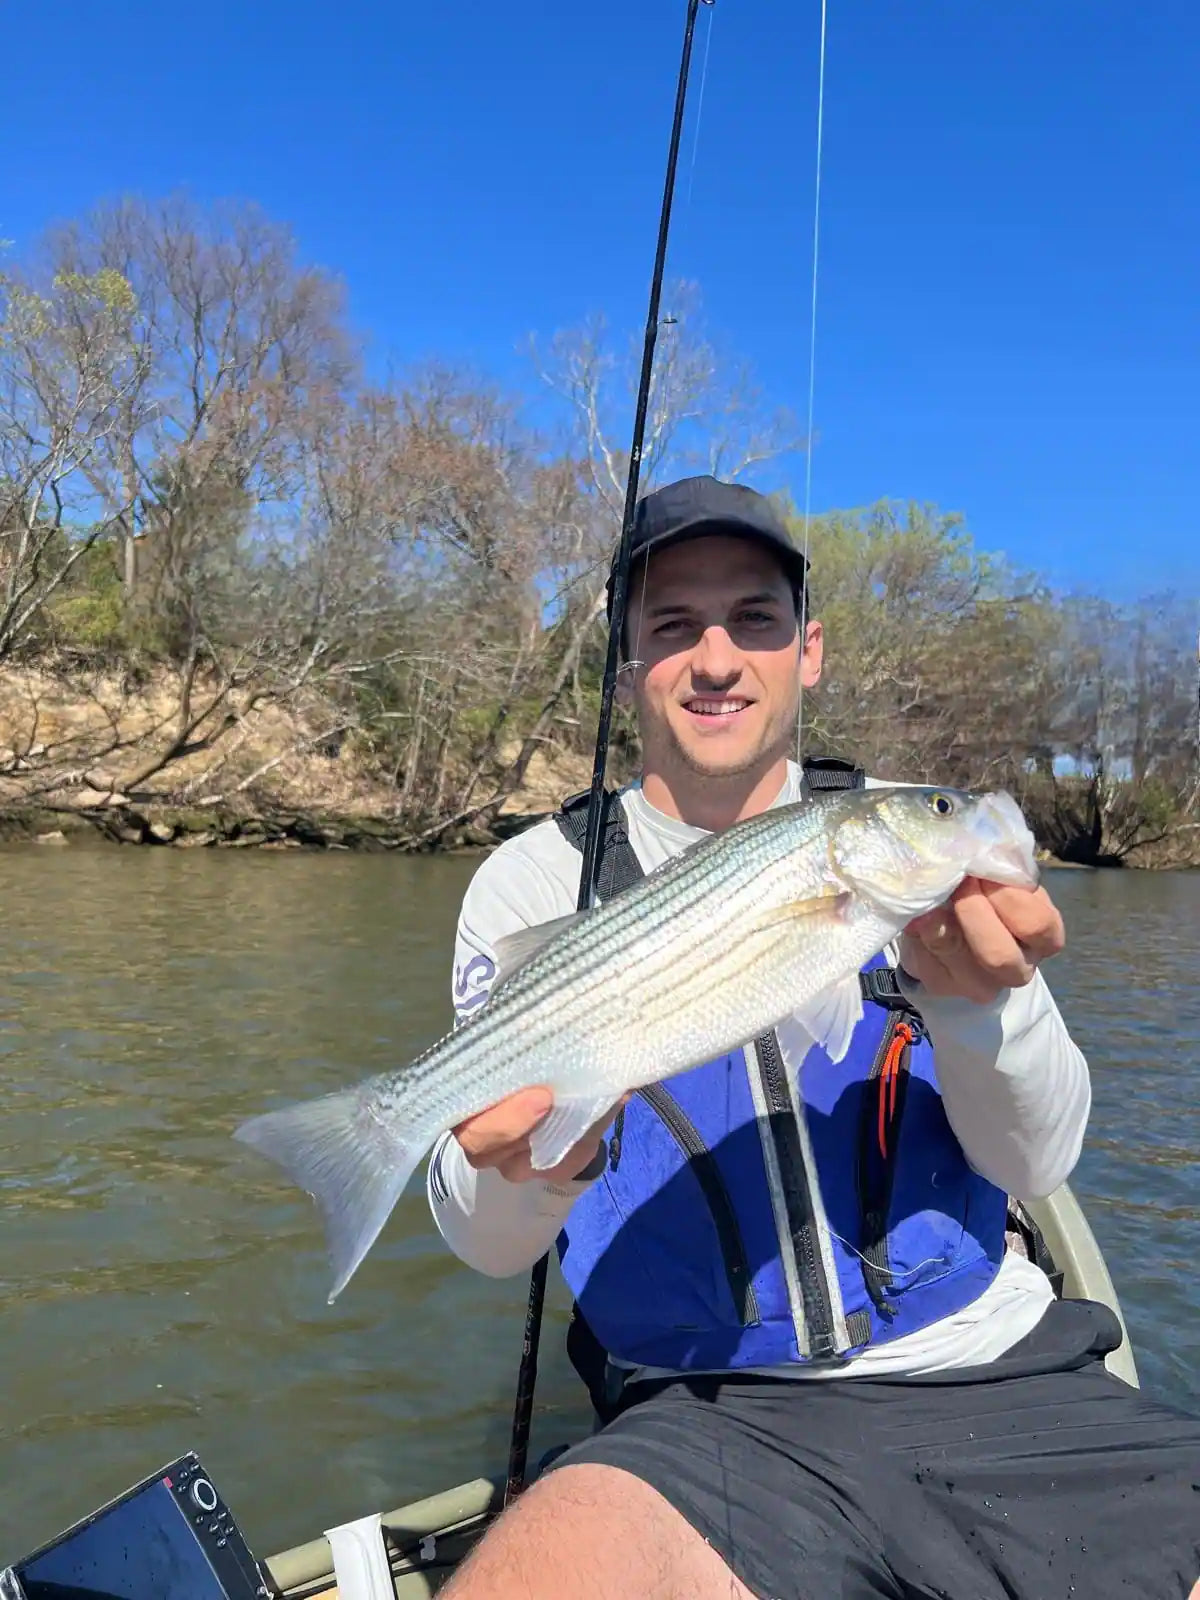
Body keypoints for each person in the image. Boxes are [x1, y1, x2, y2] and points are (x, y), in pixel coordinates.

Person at [429, 475, 1200, 1600]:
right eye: (671, 625)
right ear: (626, 662)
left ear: (811, 649)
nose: (717, 658)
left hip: (995, 1372)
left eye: (755, 618)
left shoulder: (902, 832)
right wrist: (527, 1167)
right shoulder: (532, 885)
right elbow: (487, 1243)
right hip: (705, 1421)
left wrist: (987, 1009)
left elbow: (1040, 1165)